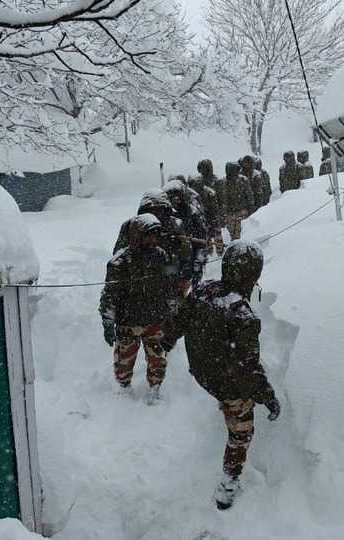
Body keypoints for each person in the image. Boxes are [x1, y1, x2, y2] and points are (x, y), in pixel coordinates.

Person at [163, 241, 281, 510]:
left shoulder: (204, 290)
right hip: (227, 383)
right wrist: (268, 397)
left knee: (231, 400)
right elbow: (249, 368)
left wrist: (168, 339)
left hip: (201, 371)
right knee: (242, 431)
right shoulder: (242, 315)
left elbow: (179, 319)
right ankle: (228, 487)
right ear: (252, 274)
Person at [99, 214, 174, 405]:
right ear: (137, 236)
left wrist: (172, 309)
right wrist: (108, 321)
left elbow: (170, 285)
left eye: (155, 235)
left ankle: (155, 388)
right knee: (124, 359)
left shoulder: (162, 256)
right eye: (148, 235)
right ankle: (124, 388)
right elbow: (109, 294)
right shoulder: (120, 262)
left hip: (155, 320)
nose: (153, 240)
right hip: (128, 322)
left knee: (157, 358)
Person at [113, 190, 188, 305]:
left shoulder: (175, 224)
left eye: (160, 209)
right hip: (139, 277)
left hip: (169, 276)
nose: (157, 213)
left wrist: (177, 246)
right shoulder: (132, 225)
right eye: (153, 209)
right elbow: (119, 252)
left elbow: (186, 254)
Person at [163, 180, 208, 287]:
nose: (176, 200)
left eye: (178, 196)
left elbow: (201, 242)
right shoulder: (161, 215)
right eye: (172, 197)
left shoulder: (192, 214)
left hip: (188, 264)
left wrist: (198, 263)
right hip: (167, 267)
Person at [196, 159, 227, 255]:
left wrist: (222, 214)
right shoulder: (198, 182)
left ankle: (220, 252)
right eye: (201, 169)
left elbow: (222, 199)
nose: (203, 171)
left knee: (217, 234)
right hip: (204, 212)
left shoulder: (216, 181)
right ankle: (209, 253)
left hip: (215, 212)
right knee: (206, 235)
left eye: (204, 168)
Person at [224, 162, 253, 241]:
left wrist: (250, 209)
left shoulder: (243, 180)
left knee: (241, 232)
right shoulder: (225, 182)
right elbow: (224, 199)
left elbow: (249, 196)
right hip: (230, 213)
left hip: (242, 211)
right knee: (232, 234)